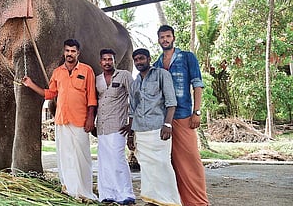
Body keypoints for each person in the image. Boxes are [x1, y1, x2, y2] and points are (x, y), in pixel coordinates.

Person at [22, 39, 97, 201]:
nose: (70, 54)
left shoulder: (87, 70)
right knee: (66, 156)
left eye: (73, 51)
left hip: (80, 121)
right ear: (64, 52)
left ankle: (84, 191)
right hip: (62, 120)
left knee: (82, 157)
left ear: (78, 53)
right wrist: (30, 84)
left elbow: (92, 97)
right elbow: (49, 94)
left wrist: (91, 118)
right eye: (67, 51)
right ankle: (70, 190)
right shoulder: (58, 72)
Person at [153, 25, 209, 206]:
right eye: (162, 37)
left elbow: (197, 84)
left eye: (168, 36)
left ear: (173, 38)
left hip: (184, 115)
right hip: (164, 120)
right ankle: (179, 201)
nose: (165, 40)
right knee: (172, 163)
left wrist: (197, 112)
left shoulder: (187, 57)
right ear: (159, 40)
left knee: (191, 160)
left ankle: (200, 202)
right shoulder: (157, 64)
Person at [126, 48, 181, 206]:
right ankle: (152, 200)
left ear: (149, 59)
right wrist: (130, 135)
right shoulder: (135, 82)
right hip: (140, 131)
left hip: (158, 128)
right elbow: (132, 110)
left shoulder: (162, 75)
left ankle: (169, 201)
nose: (139, 62)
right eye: (136, 60)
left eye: (141, 58)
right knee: (147, 167)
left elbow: (171, 102)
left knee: (162, 164)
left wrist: (168, 124)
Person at [95, 48, 136, 205]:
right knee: (104, 161)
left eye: (110, 59)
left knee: (118, 159)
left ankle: (126, 194)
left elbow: (134, 98)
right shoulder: (97, 79)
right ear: (101, 62)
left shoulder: (124, 75)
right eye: (104, 59)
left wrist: (131, 124)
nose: (107, 62)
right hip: (102, 126)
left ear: (114, 61)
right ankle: (107, 194)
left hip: (118, 125)